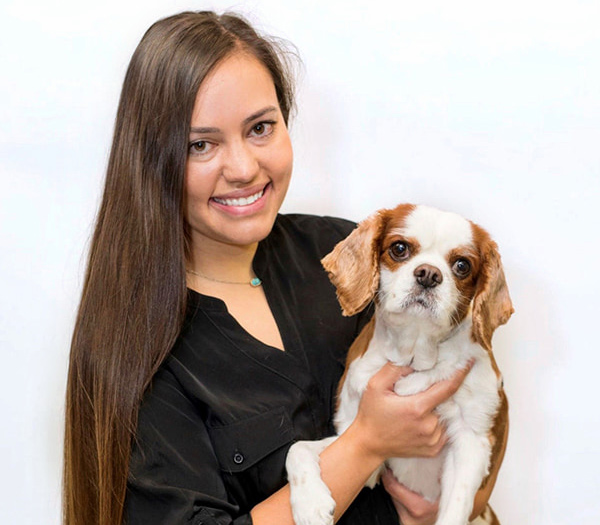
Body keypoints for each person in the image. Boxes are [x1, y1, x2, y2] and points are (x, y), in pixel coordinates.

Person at [63, 11, 507, 525]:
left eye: (260, 128)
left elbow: (485, 402)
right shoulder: (138, 347)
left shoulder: (344, 252)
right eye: (201, 144)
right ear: (152, 158)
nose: (244, 168)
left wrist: (458, 505)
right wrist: (365, 444)